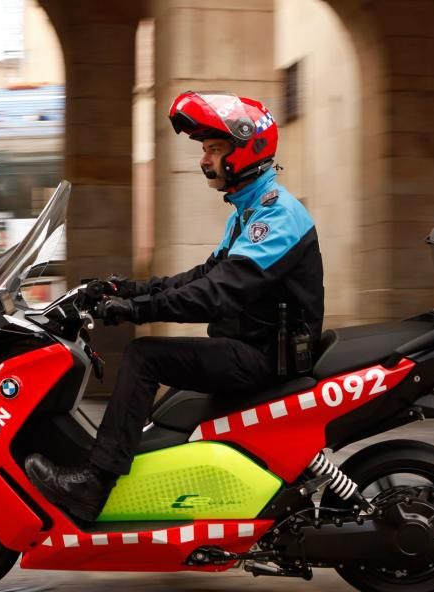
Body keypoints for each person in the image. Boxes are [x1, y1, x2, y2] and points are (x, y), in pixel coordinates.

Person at [25, 92, 325, 521]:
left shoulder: (276, 218)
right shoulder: (249, 211)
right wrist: (126, 289)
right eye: (205, 150)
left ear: (246, 150)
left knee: (144, 357)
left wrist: (137, 312)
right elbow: (201, 276)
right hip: (251, 346)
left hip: (265, 358)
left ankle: (95, 484)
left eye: (214, 149)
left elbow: (217, 293)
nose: (205, 160)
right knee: (164, 394)